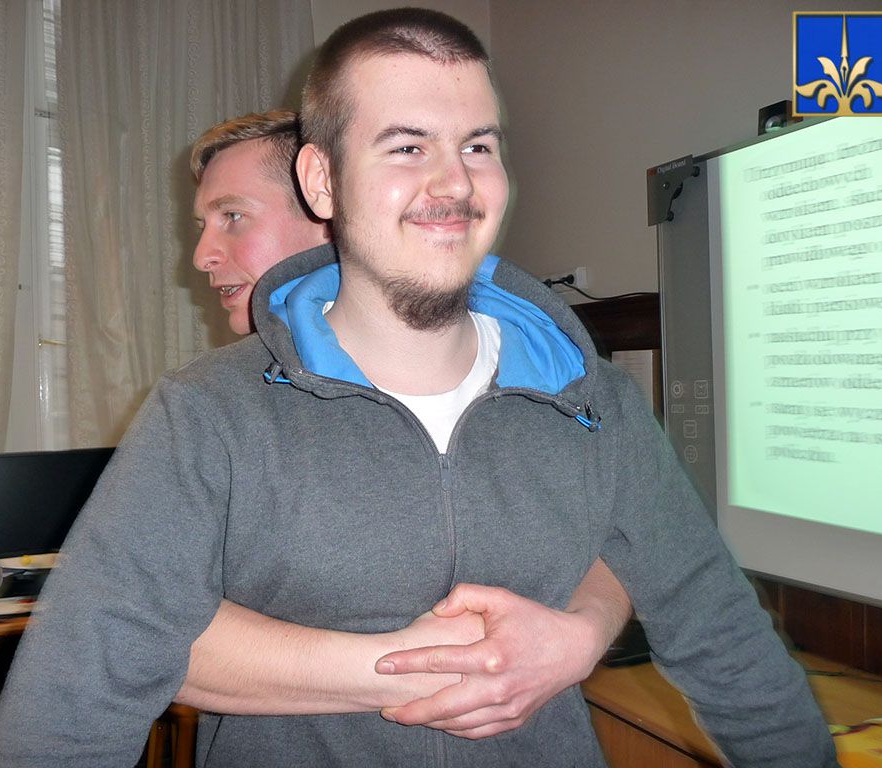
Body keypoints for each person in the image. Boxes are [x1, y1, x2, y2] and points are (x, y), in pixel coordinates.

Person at [0, 8, 837, 767]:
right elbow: (71, 701)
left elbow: (724, 637)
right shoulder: (206, 412)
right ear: (322, 181)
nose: (454, 182)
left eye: (478, 146)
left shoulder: (593, 401)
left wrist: (584, 630)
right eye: (407, 146)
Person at [177, 109, 634, 733]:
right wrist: (406, 668)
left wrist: (584, 633)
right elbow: (139, 630)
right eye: (204, 225)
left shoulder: (557, 381)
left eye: (232, 217)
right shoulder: (212, 406)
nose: (203, 255)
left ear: (330, 205)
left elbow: (620, 541)